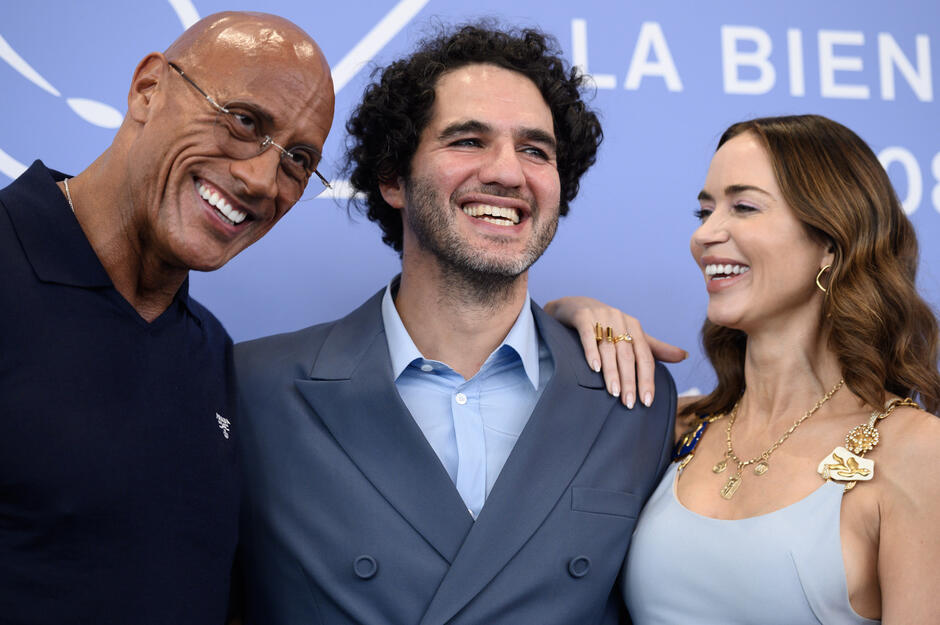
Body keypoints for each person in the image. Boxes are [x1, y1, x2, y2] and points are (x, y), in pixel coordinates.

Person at [234, 23, 679, 624]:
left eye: (535, 150)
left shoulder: (633, 397)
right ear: (393, 178)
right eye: (468, 140)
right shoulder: (253, 387)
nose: (508, 173)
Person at [0, 12, 334, 624]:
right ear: (148, 90)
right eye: (243, 120)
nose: (262, 180)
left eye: (298, 160)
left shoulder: (213, 354)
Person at [549, 114, 940, 623]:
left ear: (830, 240)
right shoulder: (675, 425)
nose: (705, 235)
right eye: (704, 210)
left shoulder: (918, 451)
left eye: (744, 207)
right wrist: (571, 313)